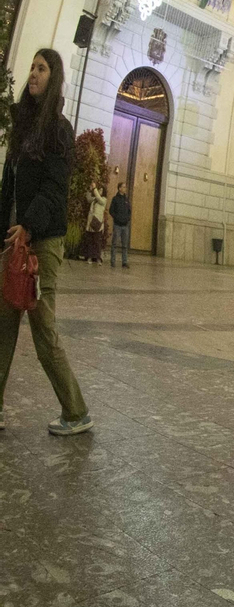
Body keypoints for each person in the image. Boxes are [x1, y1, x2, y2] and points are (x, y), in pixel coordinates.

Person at [0, 49, 92, 436]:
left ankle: (76, 411)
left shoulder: (59, 129)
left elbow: (56, 189)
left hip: (42, 243)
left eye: (41, 68)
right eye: (32, 67)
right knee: (3, 326)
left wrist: (29, 227)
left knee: (43, 331)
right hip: (12, 240)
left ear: (53, 78)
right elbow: (9, 187)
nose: (33, 73)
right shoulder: (22, 127)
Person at [82, 180, 107, 265]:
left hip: (98, 223)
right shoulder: (94, 200)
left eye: (101, 190)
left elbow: (99, 198)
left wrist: (95, 188)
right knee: (90, 240)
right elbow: (88, 199)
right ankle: (89, 257)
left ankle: (98, 258)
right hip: (91, 223)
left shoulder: (103, 200)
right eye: (98, 190)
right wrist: (90, 190)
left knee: (97, 242)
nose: (99, 192)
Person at [108, 182, 131, 268]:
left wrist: (127, 218)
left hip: (125, 225)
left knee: (125, 245)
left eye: (125, 187)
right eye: (123, 187)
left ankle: (124, 262)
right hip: (117, 225)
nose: (125, 189)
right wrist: (116, 218)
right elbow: (111, 210)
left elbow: (129, 211)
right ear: (119, 188)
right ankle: (113, 261)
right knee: (114, 244)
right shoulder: (115, 199)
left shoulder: (126, 200)